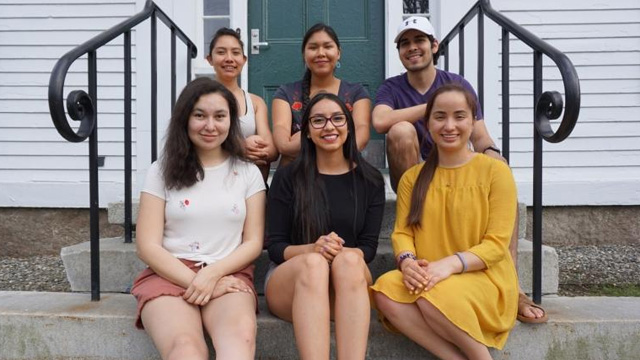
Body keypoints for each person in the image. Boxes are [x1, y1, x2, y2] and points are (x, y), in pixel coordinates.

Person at [371, 16, 547, 323]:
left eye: (420, 41)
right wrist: (433, 107)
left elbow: (479, 136)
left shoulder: (457, 84)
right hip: (419, 180)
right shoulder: (392, 87)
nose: (413, 48)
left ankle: (514, 287)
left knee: (498, 168)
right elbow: (380, 121)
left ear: (434, 46)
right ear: (399, 51)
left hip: (456, 169)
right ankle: (418, 229)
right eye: (405, 43)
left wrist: (494, 159)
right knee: (400, 131)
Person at [371, 84, 519, 359]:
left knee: (430, 293)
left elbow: (497, 245)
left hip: (484, 278)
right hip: (433, 274)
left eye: (459, 116)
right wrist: (407, 262)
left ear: (473, 122)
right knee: (385, 291)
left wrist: (449, 265)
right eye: (440, 117)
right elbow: (402, 233)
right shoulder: (412, 178)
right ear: (427, 124)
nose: (449, 125)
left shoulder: (495, 171)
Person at [131, 78, 266, 360]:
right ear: (185, 118)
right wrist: (201, 279)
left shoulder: (248, 173)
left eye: (220, 116)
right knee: (185, 348)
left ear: (231, 121)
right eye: (200, 115)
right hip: (169, 273)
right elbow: (147, 246)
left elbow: (253, 242)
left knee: (239, 341)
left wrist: (213, 275)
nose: (210, 125)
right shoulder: (160, 171)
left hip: (228, 273)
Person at [266, 93, 385, 359]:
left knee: (350, 261)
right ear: (306, 132)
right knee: (314, 263)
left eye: (337, 119)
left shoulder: (371, 180)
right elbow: (275, 247)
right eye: (318, 121)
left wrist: (339, 251)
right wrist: (313, 249)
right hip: (292, 284)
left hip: (348, 286)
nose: (329, 127)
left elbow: (368, 248)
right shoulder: (287, 177)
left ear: (349, 126)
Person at [272, 23, 371, 168]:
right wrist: (332, 139)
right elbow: (283, 146)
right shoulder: (285, 93)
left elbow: (360, 139)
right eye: (313, 48)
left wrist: (303, 137)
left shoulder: (357, 93)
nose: (320, 53)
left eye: (328, 46)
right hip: (297, 174)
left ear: (338, 53)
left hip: (342, 171)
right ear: (304, 55)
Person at [207, 27, 278, 182]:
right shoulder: (200, 99)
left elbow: (272, 151)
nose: (229, 58)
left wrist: (256, 150)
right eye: (221, 52)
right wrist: (238, 147)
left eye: (235, 52)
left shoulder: (255, 102)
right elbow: (198, 144)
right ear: (210, 59)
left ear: (244, 60)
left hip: (250, 186)